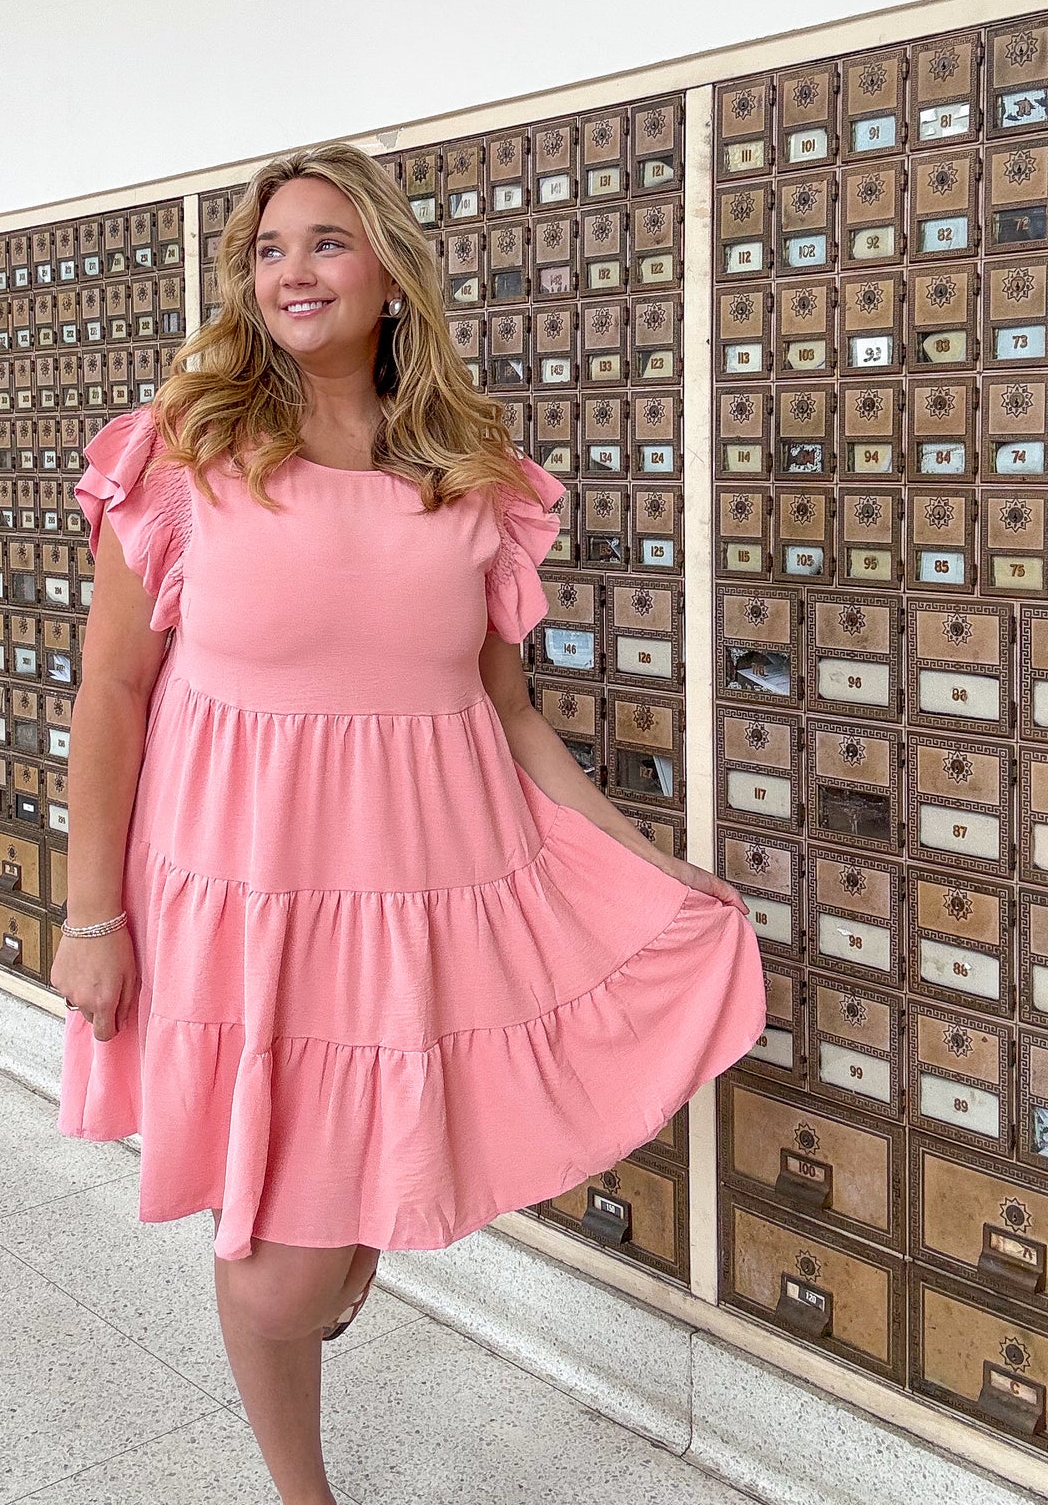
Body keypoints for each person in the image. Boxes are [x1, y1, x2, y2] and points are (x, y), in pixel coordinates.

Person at [49, 140, 766, 1505]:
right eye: (267, 250)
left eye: (322, 242)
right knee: (279, 1269)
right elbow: (113, 688)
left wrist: (640, 858)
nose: (290, 271)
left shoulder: (471, 479)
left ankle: (352, 1244)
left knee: (329, 1223)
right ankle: (302, 1496)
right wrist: (93, 916)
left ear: (387, 271)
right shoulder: (183, 454)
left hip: (424, 890)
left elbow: (501, 713)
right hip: (241, 888)